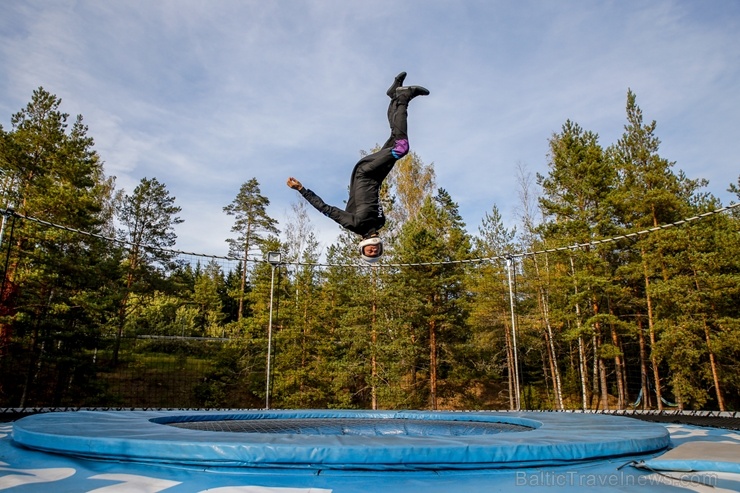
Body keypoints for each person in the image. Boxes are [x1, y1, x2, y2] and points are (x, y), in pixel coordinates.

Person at [287, 72, 429, 263]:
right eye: (375, 252)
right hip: (377, 176)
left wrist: (301, 190)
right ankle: (394, 96)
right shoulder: (381, 222)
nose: (372, 249)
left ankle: (404, 97)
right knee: (396, 138)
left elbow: (325, 208)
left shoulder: (353, 225)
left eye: (369, 252)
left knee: (401, 148)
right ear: (380, 247)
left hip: (364, 174)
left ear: (362, 248)